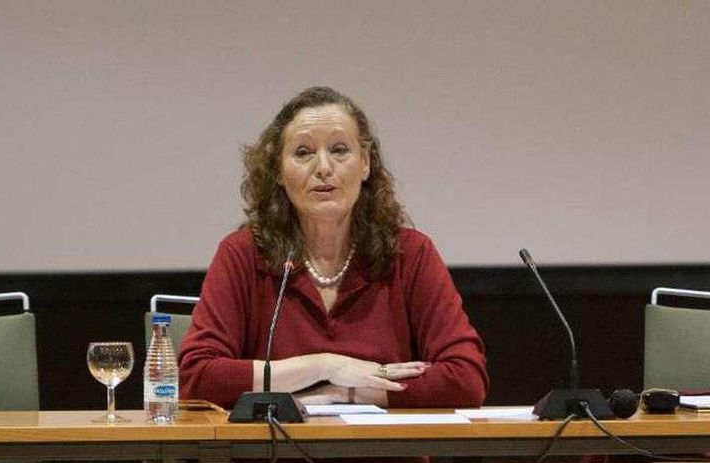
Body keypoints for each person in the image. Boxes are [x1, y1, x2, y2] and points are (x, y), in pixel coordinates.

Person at [179, 87, 488, 410]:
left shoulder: (410, 254)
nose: (323, 167)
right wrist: (326, 365)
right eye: (303, 153)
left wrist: (347, 393)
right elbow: (196, 376)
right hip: (278, 458)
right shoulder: (243, 254)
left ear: (365, 164)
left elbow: (466, 379)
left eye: (339, 150)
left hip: (391, 458)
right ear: (279, 173)